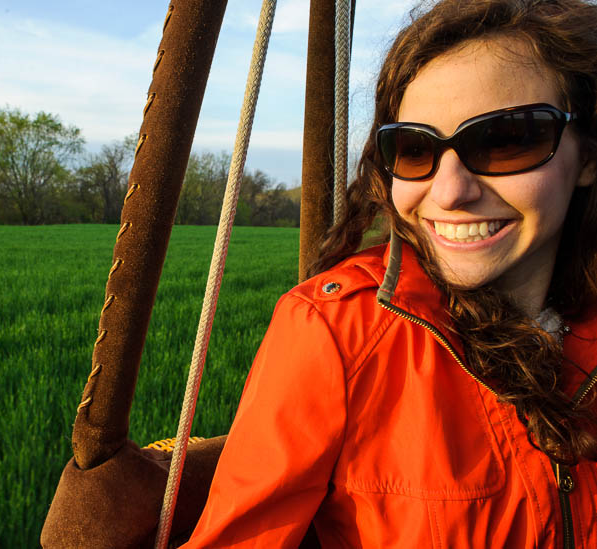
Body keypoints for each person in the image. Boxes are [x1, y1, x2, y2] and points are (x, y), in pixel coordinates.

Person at [181, 0, 597, 546]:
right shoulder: (337, 332)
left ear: (587, 155)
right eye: (416, 148)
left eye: (503, 140)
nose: (449, 192)